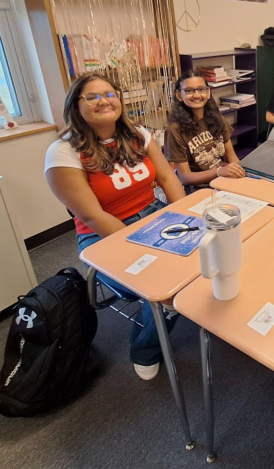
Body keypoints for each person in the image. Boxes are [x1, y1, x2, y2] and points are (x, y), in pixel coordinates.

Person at [46, 72, 189, 380]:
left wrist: (185, 221)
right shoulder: (64, 152)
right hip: (104, 235)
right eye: (92, 96)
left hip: (154, 216)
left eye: (110, 94)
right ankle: (145, 348)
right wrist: (149, 246)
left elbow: (166, 178)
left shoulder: (138, 134)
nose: (104, 101)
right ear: (76, 105)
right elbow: (92, 217)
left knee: (205, 256)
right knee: (163, 292)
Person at [166, 71, 246, 189]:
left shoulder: (218, 118)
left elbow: (232, 158)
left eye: (201, 89)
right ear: (179, 95)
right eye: (189, 91)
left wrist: (243, 174)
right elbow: (185, 178)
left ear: (208, 93)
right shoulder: (174, 130)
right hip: (200, 188)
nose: (197, 95)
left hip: (225, 180)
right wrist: (218, 172)